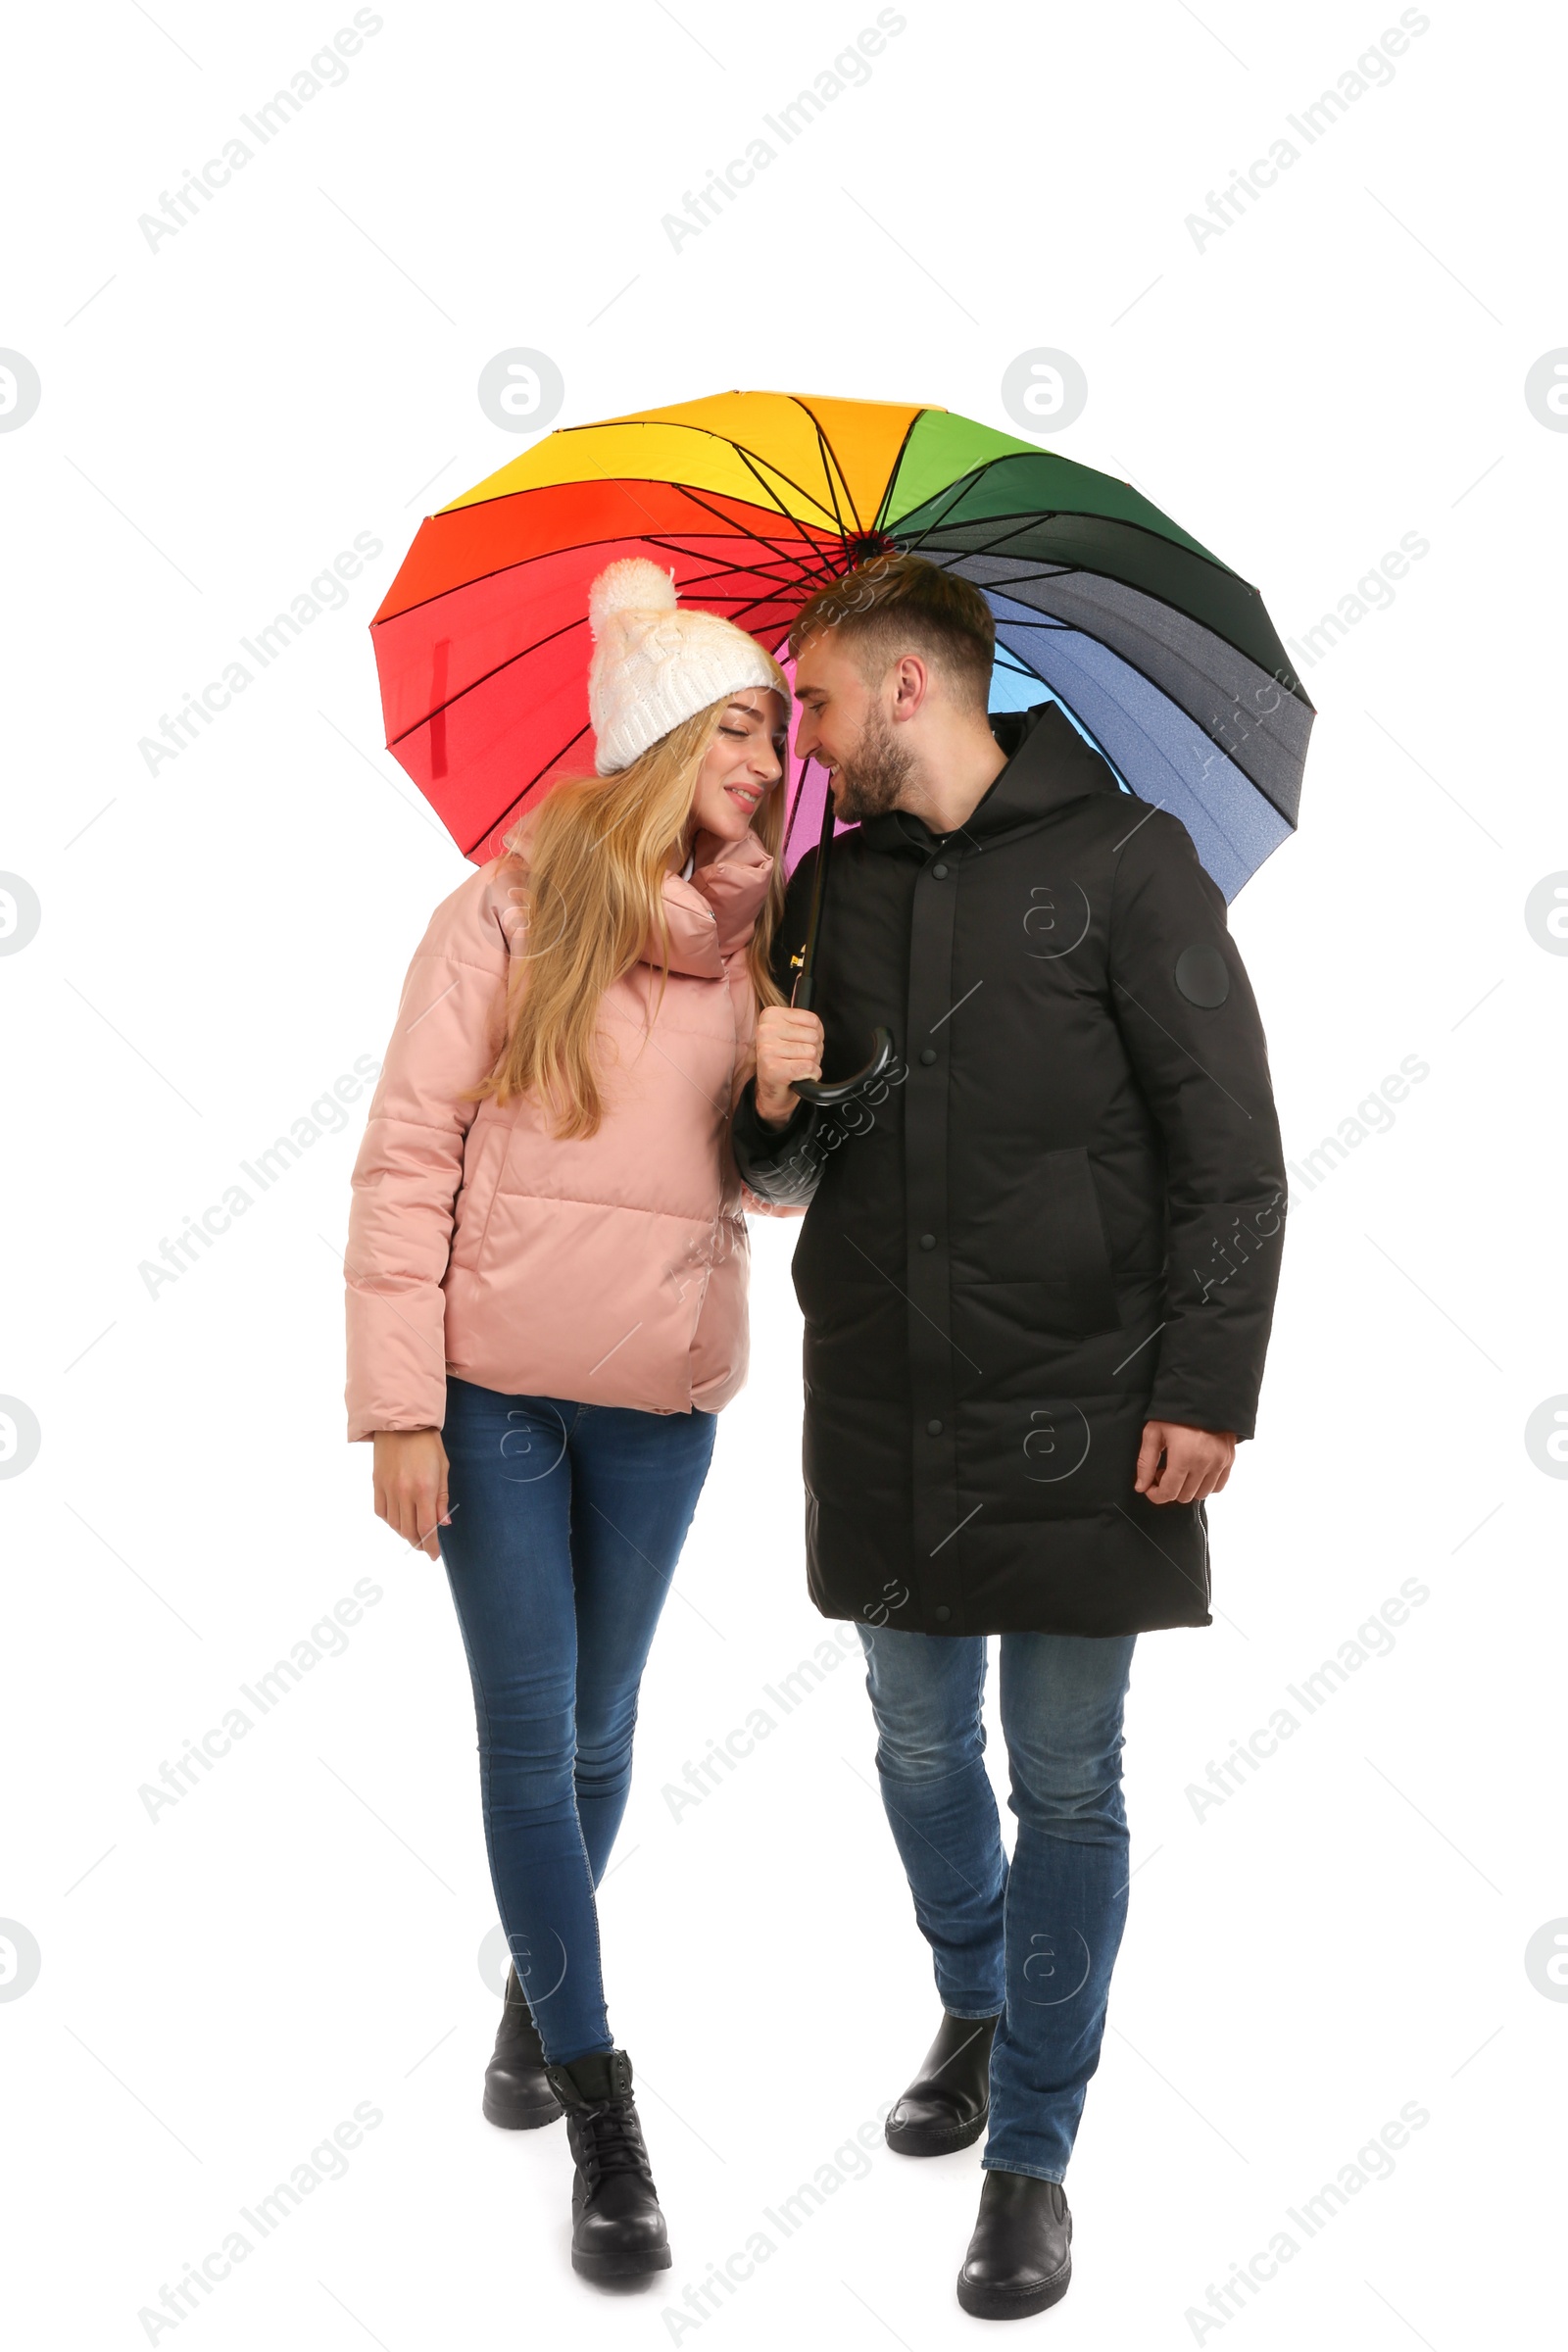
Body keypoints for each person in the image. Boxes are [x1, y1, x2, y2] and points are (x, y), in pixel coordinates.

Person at [733, 552, 1286, 2322]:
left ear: (910, 686)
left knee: (1066, 1779)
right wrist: (773, 1098)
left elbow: (1232, 1156)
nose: (793, 732)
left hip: (1090, 1415)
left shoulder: (1129, 865)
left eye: (812, 696)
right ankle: (978, 1997)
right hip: (887, 1403)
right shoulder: (822, 889)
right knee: (912, 1746)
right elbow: (776, 1181)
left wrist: (1205, 1388)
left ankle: (1033, 2155)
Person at [344, 558, 791, 2283]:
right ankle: (604, 2113)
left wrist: (788, 1099)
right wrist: (400, 1409)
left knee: (606, 1733)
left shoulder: (771, 932)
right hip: (495, 1393)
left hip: (662, 1403)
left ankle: (544, 1989)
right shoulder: (506, 912)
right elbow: (407, 1159)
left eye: (773, 724)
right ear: (666, 731)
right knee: (532, 1740)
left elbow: (771, 1195)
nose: (768, 753)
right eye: (744, 720)